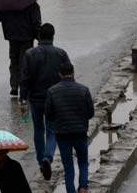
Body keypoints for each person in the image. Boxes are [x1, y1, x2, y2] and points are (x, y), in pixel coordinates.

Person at [19, 23, 70, 181]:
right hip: (55, 98)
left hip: (36, 98)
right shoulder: (61, 54)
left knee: (38, 130)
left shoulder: (29, 54)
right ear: (53, 36)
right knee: (51, 130)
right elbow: (68, 75)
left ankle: (41, 161)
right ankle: (48, 156)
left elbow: (25, 78)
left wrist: (22, 98)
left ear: (39, 36)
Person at [45, 62, 94, 193]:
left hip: (62, 134)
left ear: (59, 74)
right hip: (80, 132)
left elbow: (49, 115)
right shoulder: (84, 90)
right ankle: (83, 187)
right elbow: (91, 113)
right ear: (73, 73)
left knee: (68, 167)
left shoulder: (52, 91)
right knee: (83, 161)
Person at [0, 1, 41, 98]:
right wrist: (39, 37)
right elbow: (36, 22)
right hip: (27, 36)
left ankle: (14, 86)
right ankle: (24, 87)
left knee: (14, 61)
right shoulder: (32, 3)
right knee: (25, 63)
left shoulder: (5, 2)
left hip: (11, 35)